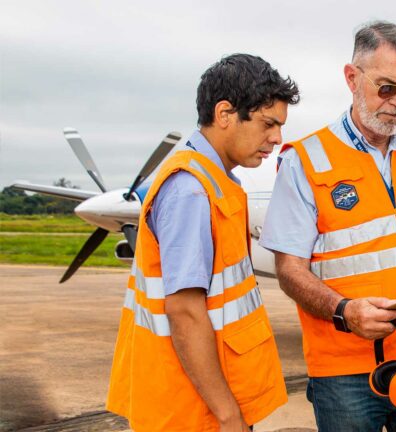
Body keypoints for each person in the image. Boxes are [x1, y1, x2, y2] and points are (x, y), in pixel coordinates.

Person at [259, 21, 396, 431]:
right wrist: (344, 311)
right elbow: (289, 270)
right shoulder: (305, 161)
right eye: (387, 88)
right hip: (343, 372)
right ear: (352, 78)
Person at [106, 54, 300, 432]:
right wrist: (228, 415)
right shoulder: (191, 191)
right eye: (268, 124)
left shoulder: (214, 181)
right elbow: (185, 311)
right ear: (225, 113)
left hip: (199, 398)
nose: (277, 138)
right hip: (190, 410)